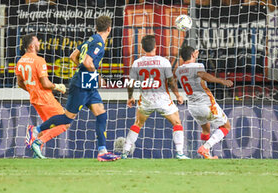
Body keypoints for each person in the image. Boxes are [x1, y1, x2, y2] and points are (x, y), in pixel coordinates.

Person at [27, 16, 120, 161]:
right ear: (109, 28)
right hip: (81, 84)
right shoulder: (99, 42)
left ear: (97, 27)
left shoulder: (90, 39)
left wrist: (85, 71)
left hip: (88, 83)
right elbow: (87, 61)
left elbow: (73, 56)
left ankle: (102, 152)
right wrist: (95, 73)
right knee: (67, 119)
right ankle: (36, 131)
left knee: (101, 115)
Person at [121, 35, 189, 159]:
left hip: (146, 100)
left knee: (137, 124)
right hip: (163, 99)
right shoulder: (163, 61)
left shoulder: (137, 63)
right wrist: (178, 95)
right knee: (177, 122)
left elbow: (130, 83)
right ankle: (180, 153)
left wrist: (130, 97)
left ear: (142, 48)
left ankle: (125, 152)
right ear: (156, 47)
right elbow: (170, 81)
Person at [174, 46, 233, 159]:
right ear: (193, 55)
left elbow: (172, 80)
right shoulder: (198, 66)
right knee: (226, 126)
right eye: (196, 52)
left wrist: (177, 95)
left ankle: (206, 155)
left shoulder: (179, 70)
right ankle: (206, 147)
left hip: (192, 107)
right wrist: (221, 80)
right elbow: (203, 75)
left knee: (206, 129)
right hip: (206, 104)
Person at [15, 34, 68, 159]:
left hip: (35, 98)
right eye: (37, 42)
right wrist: (57, 86)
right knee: (65, 122)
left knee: (48, 124)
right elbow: (45, 83)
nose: (39, 44)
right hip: (45, 97)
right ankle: (38, 141)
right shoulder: (39, 60)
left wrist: (33, 90)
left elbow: (20, 83)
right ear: (32, 46)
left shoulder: (21, 61)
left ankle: (36, 154)